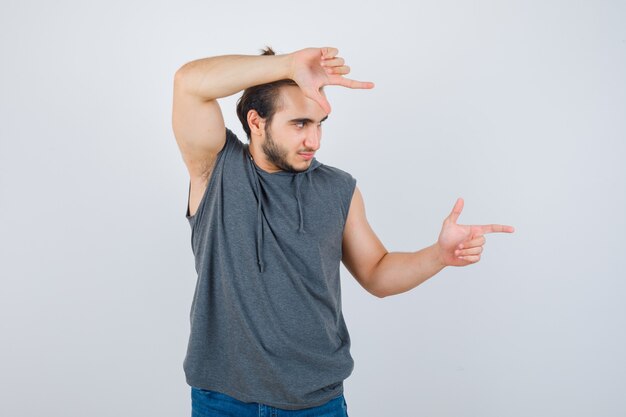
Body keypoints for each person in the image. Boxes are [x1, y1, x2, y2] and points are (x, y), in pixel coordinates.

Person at [171, 46, 515, 417]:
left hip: (317, 402)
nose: (314, 141)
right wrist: (288, 65)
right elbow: (189, 84)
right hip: (222, 399)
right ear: (257, 122)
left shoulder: (338, 189)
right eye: (300, 124)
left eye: (319, 124)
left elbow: (377, 273)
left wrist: (439, 255)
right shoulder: (216, 169)